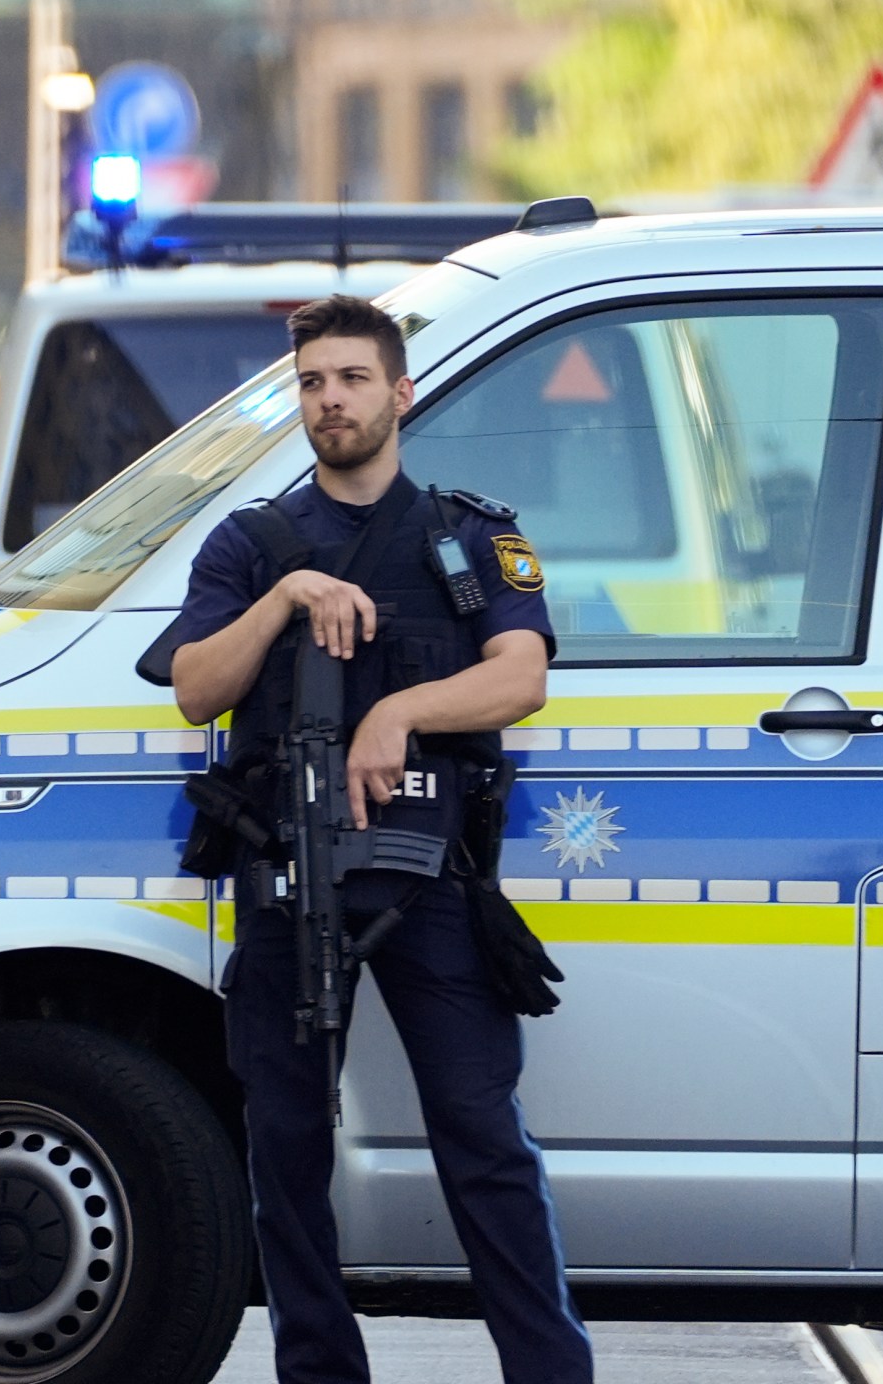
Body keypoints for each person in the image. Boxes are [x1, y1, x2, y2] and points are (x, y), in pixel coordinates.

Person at [162, 294, 592, 1384]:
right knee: (287, 1153)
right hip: (285, 878)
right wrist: (284, 602)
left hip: (427, 878)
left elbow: (521, 675)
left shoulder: (465, 533)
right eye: (311, 383)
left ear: (399, 395)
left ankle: (550, 1371)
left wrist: (396, 714)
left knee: (480, 1138)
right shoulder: (252, 543)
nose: (329, 401)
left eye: (351, 379)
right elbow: (194, 689)